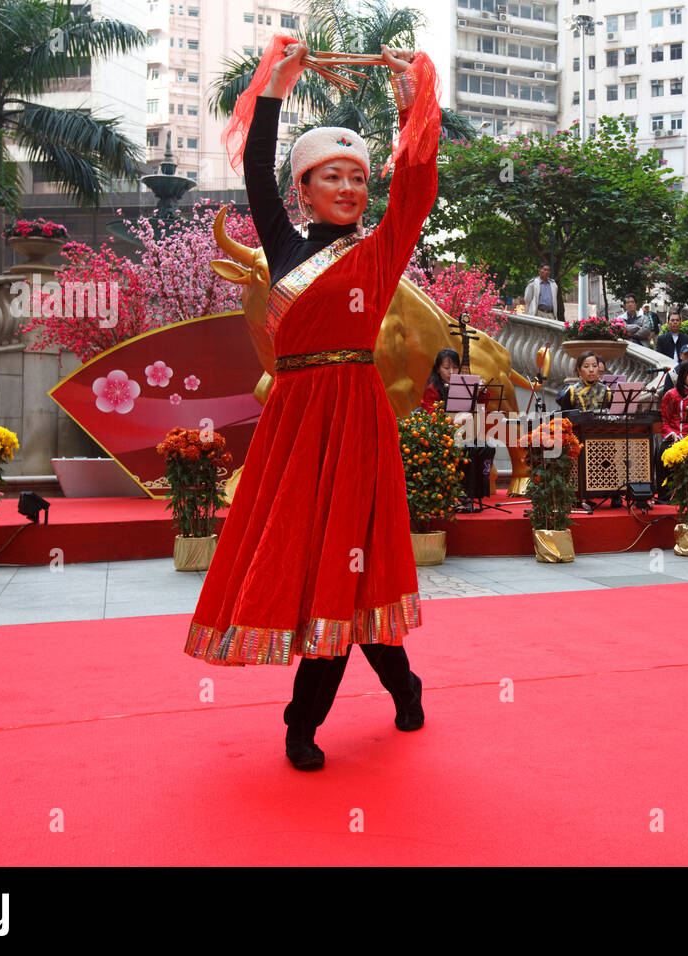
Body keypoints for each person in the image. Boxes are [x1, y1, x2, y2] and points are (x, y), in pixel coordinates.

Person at [187, 39, 437, 770]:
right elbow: (255, 170)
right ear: (306, 189)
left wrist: (411, 104)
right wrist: (276, 87)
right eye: (334, 176)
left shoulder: (381, 249)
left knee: (350, 566)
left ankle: (304, 722)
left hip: (354, 418)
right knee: (316, 563)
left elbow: (415, 190)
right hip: (296, 421)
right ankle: (405, 684)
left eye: (359, 177)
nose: (351, 188)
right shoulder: (283, 246)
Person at [656, 361, 688, 499]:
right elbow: (664, 420)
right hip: (674, 436)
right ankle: (665, 495)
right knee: (661, 456)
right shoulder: (671, 395)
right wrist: (673, 434)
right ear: (682, 376)